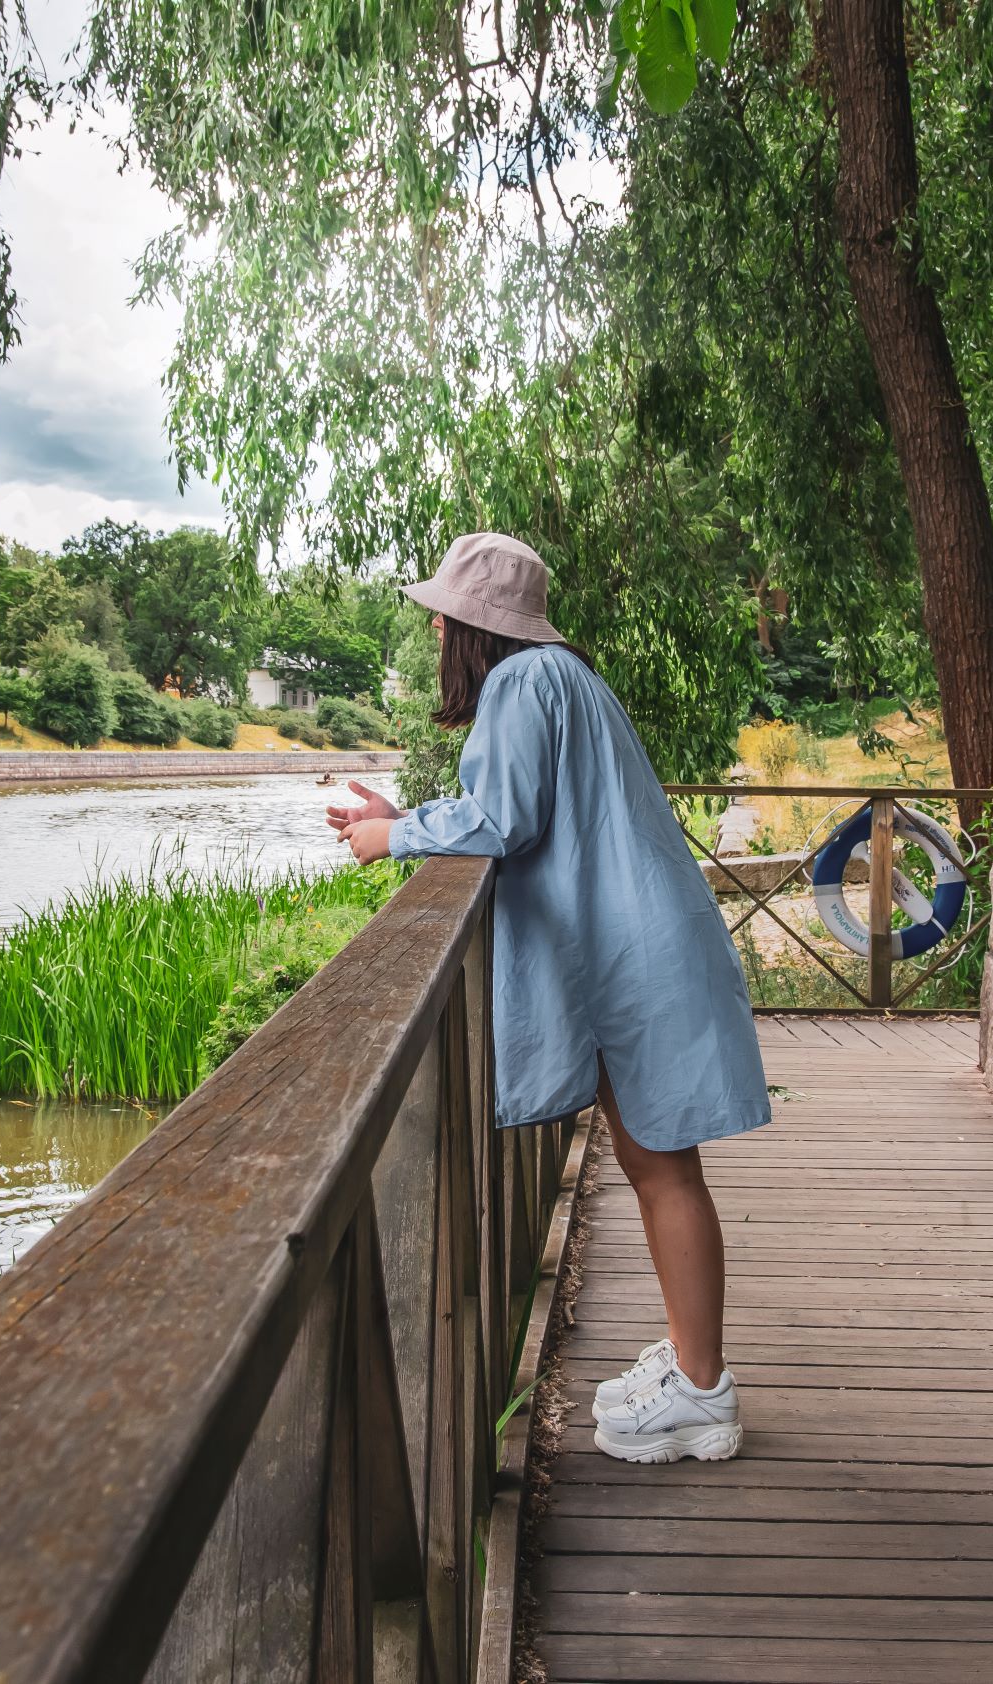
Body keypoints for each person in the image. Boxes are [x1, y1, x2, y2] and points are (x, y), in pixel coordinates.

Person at [327, 532, 771, 1464]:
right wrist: (399, 816)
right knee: (664, 1170)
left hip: (630, 956)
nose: (437, 625)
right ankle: (698, 1373)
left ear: (473, 626)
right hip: (639, 942)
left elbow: (504, 818)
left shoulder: (520, 686)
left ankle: (703, 1393)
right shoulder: (564, 676)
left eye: (444, 613)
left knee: (664, 1171)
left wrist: (390, 838)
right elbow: (522, 803)